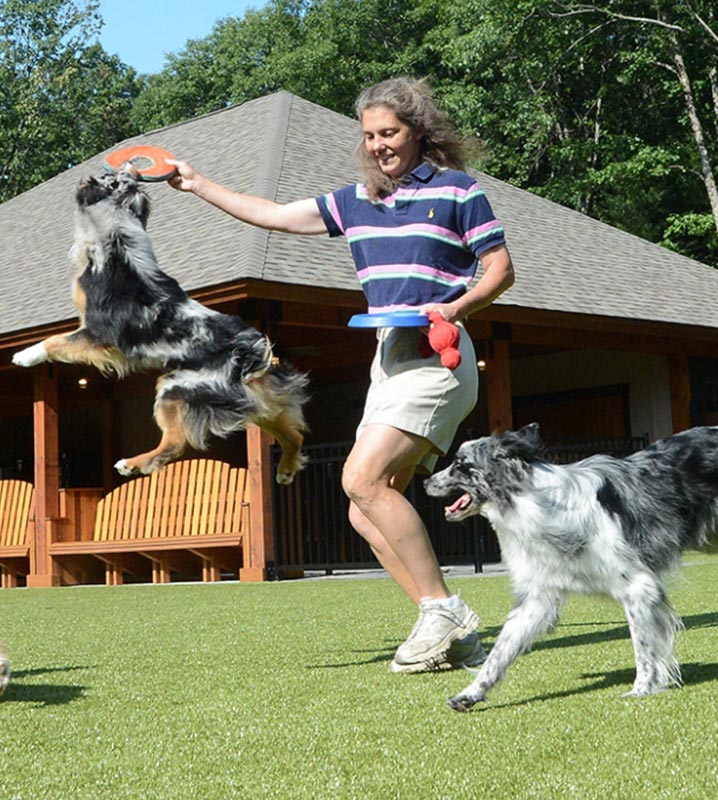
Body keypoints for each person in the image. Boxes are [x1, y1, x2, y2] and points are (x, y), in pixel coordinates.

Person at [166, 77, 514, 673]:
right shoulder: (356, 201)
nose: (379, 145)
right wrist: (196, 183)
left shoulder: (458, 190)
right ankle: (449, 628)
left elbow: (501, 268)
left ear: (417, 132)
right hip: (387, 358)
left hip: (437, 355)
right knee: (362, 506)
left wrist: (456, 307)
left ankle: (443, 611)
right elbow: (272, 215)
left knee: (361, 478)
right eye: (370, 136)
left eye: (390, 133)